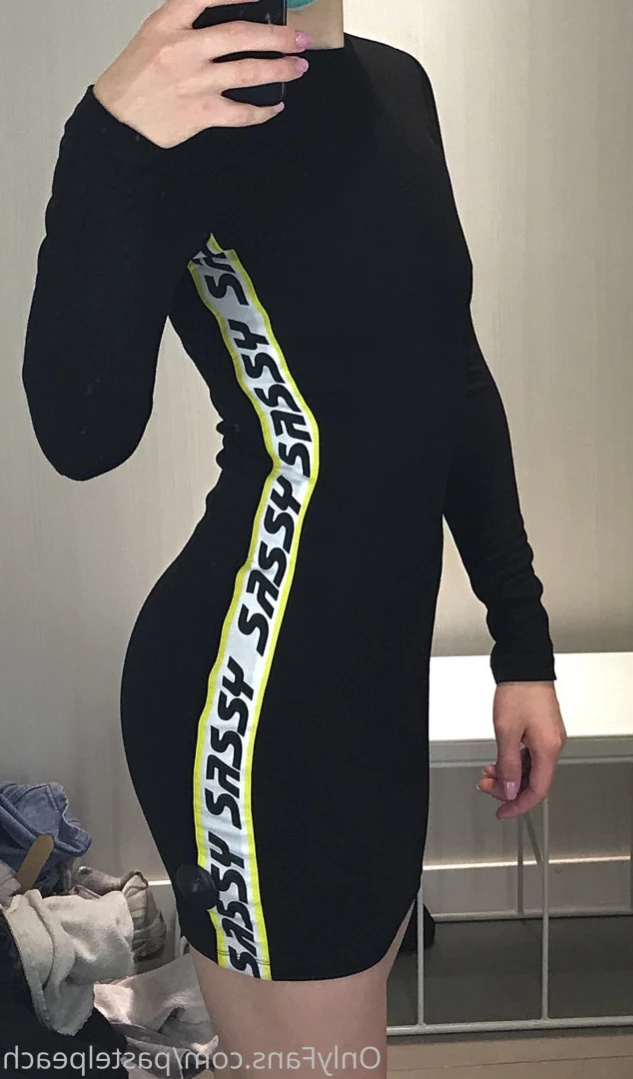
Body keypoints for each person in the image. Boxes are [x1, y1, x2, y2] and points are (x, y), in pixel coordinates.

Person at [20, 0, 568, 1074]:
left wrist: (524, 645)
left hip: (376, 684)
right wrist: (109, 138)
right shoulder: (186, 111)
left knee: (335, 1048)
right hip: (259, 698)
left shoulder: (397, 84)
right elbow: (80, 435)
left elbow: (453, 377)